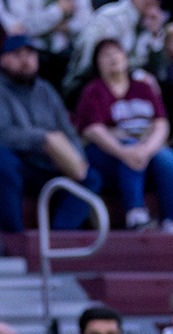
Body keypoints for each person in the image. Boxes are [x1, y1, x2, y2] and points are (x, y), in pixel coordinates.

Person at [72, 36, 173, 230]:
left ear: (127, 58)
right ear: (97, 63)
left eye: (117, 53)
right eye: (106, 55)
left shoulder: (144, 87)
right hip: (106, 152)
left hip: (145, 146)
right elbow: (92, 130)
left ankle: (172, 220)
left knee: (168, 159)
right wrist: (124, 151)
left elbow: (161, 123)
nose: (113, 58)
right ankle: (136, 214)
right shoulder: (93, 91)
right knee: (129, 150)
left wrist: (147, 149)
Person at [0, 34, 100, 233]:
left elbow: (68, 131)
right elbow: (3, 134)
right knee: (3, 161)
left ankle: (61, 236)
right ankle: (14, 237)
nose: (26, 60)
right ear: (3, 59)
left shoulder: (45, 90)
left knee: (90, 176)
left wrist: (77, 158)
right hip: (20, 162)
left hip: (48, 164)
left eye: (30, 54)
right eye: (18, 55)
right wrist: (42, 139)